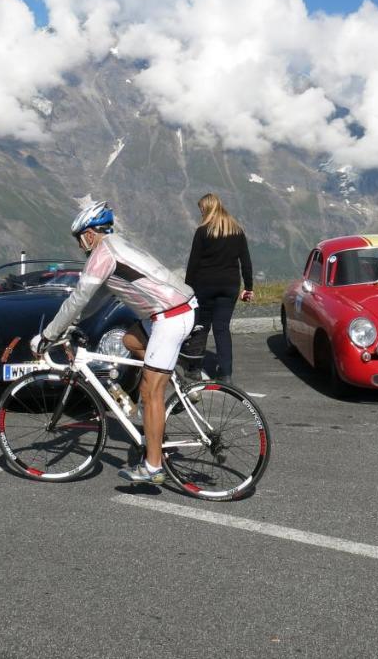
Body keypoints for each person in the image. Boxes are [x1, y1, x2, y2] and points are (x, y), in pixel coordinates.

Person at [32, 200, 195, 486]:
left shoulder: (102, 254)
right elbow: (99, 298)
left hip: (170, 316)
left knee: (149, 392)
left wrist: (48, 336)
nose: (81, 246)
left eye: (80, 239)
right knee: (131, 340)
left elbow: (78, 298)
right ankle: (179, 379)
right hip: (171, 311)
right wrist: (72, 326)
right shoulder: (116, 246)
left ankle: (153, 467)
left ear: (90, 234)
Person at [183, 193, 253, 384]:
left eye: (202, 210)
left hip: (205, 286)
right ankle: (226, 373)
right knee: (222, 329)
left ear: (207, 209)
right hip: (229, 286)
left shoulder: (202, 231)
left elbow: (193, 264)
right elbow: (246, 262)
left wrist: (188, 289)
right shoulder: (237, 231)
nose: (201, 213)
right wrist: (249, 287)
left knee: (202, 327)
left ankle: (194, 369)